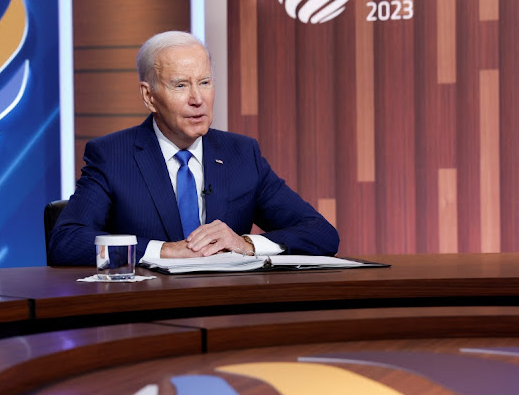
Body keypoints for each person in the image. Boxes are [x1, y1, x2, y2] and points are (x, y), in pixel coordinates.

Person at [49, 31, 339, 267]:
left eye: (204, 82)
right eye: (180, 85)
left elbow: (320, 233)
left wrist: (246, 243)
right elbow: (67, 241)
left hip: (226, 312)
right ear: (149, 96)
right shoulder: (112, 156)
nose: (197, 98)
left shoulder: (241, 154)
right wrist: (165, 251)